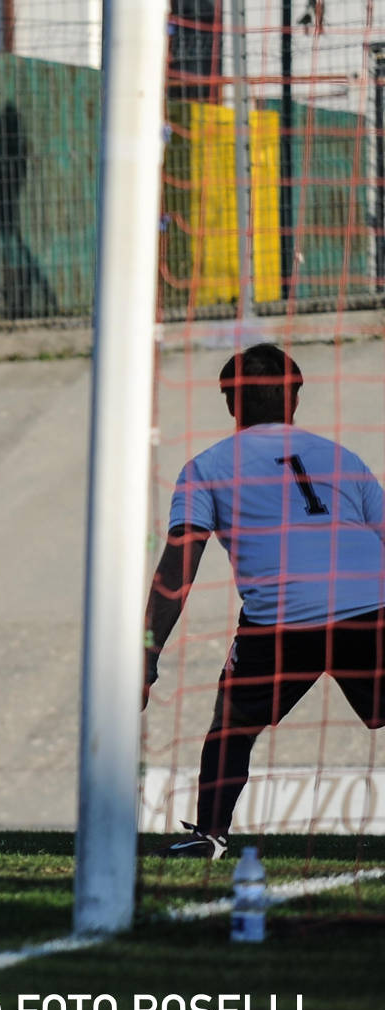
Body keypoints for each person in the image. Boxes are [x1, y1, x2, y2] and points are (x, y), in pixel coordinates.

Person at [144, 344, 385, 858]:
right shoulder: (343, 457)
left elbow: (177, 569)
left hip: (280, 619)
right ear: (296, 396)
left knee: (231, 723)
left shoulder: (205, 468)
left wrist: (147, 652)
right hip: (370, 605)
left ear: (230, 401)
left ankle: (209, 835)